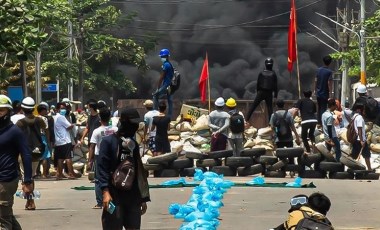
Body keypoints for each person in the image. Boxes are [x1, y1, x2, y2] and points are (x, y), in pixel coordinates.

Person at [97, 108, 150, 230]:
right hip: (114, 195)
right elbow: (102, 168)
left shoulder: (133, 144)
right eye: (133, 123)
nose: (135, 126)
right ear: (123, 121)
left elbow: (138, 172)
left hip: (132, 196)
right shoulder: (108, 142)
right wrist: (105, 192)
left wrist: (142, 198)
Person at [0, 95, 33, 228]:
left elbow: (26, 155)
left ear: (8, 112)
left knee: (3, 220)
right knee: (6, 215)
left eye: (1, 110)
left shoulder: (14, 132)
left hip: (6, 179)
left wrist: (27, 181)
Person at [16, 97, 47, 210]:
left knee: (25, 177)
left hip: (24, 152)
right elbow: (45, 130)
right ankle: (29, 201)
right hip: (37, 152)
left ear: (23, 108)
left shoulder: (20, 123)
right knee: (31, 176)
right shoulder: (39, 120)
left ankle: (31, 201)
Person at [89, 108, 117, 209]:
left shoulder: (97, 131)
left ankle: (100, 202)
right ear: (110, 117)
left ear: (99, 118)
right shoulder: (115, 129)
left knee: (98, 179)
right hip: (113, 156)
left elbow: (92, 146)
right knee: (114, 177)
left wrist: (90, 160)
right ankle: (114, 199)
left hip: (99, 156)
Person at [270, 99, 301, 170]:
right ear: (284, 105)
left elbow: (272, 127)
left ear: (277, 106)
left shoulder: (273, 115)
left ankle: (282, 169)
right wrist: (297, 136)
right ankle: (291, 170)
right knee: (291, 154)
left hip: (279, 138)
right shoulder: (288, 114)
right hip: (288, 138)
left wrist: (275, 134)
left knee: (280, 155)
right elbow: (292, 127)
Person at [246, 57, 278, 123]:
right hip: (269, 93)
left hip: (261, 92)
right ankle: (271, 124)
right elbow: (275, 86)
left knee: (253, 106)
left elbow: (258, 84)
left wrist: (258, 93)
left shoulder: (261, 73)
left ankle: (246, 120)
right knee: (270, 109)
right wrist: (275, 96)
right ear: (272, 65)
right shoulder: (273, 73)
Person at [53, 102, 76, 180]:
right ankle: (71, 173)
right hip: (65, 140)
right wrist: (72, 125)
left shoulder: (55, 117)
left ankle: (59, 174)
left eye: (64, 108)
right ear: (58, 109)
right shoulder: (61, 117)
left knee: (60, 158)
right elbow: (70, 126)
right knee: (68, 157)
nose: (63, 110)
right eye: (61, 108)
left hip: (58, 141)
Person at [79, 99, 100, 171]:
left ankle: (95, 169)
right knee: (92, 154)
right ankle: (92, 169)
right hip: (91, 138)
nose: (87, 107)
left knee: (97, 154)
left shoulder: (99, 117)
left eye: (88, 106)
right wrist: (82, 138)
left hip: (98, 139)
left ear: (91, 107)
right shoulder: (89, 117)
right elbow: (87, 128)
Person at [153, 48, 174, 119]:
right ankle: (170, 117)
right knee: (170, 101)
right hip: (170, 86)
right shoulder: (170, 64)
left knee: (155, 96)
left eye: (163, 57)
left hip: (166, 85)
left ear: (167, 57)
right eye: (162, 57)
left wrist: (158, 87)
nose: (162, 58)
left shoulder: (166, 65)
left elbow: (162, 77)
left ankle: (155, 113)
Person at [350, 103, 372, 170]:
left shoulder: (354, 116)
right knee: (367, 155)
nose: (364, 111)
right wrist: (362, 140)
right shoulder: (359, 117)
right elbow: (359, 129)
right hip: (360, 139)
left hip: (356, 139)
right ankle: (369, 169)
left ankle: (351, 166)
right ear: (359, 110)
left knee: (354, 155)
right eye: (363, 109)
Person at [315, 55, 333, 125]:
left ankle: (319, 122)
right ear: (330, 62)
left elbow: (315, 80)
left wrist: (315, 89)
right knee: (323, 108)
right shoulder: (329, 72)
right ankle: (323, 123)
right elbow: (329, 82)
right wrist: (331, 93)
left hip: (318, 92)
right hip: (325, 93)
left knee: (319, 108)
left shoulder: (318, 70)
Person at [37, 103, 52, 179]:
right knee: (45, 157)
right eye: (45, 110)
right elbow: (46, 130)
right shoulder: (44, 119)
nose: (46, 112)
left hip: (36, 139)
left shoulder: (35, 118)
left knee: (37, 157)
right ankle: (44, 174)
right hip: (43, 138)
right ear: (42, 111)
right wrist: (48, 140)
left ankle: (37, 173)